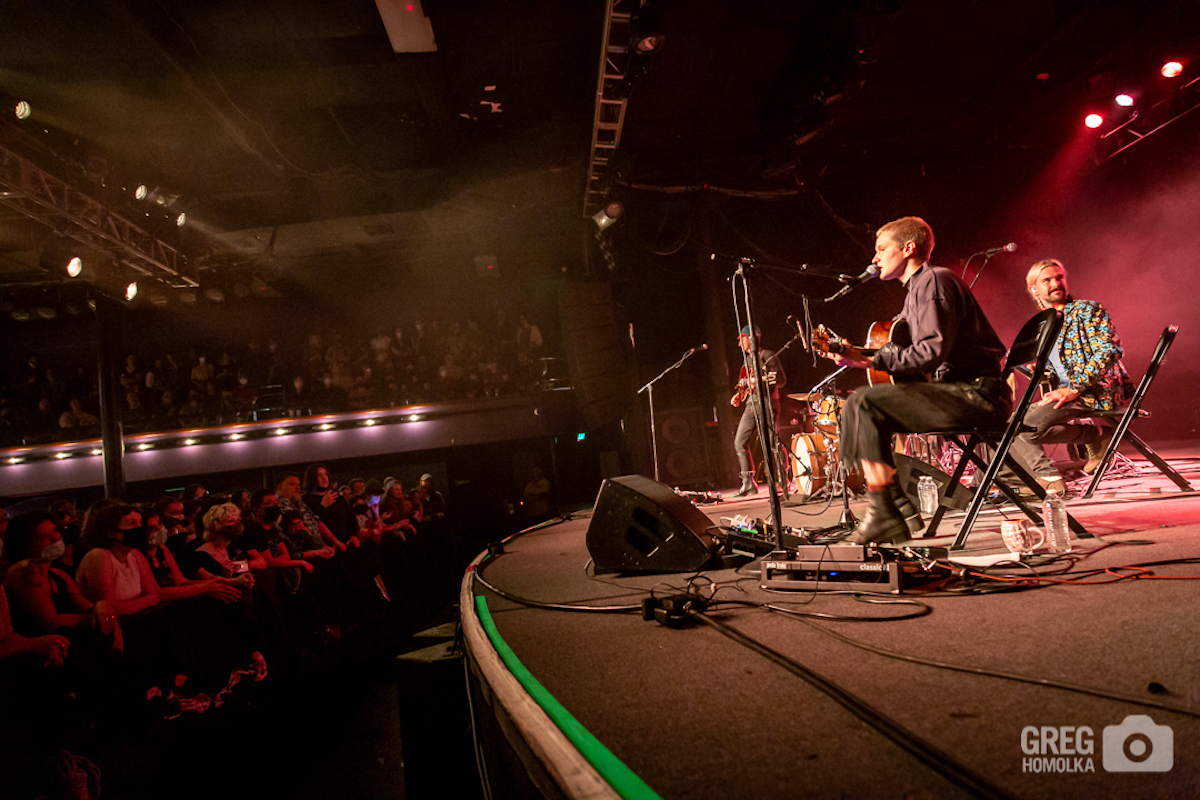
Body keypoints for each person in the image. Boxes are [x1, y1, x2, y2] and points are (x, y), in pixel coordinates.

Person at [820, 216, 1010, 545]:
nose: (874, 258)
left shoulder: (934, 282)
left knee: (863, 403)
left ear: (908, 248)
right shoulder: (917, 292)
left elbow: (931, 352)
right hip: (958, 391)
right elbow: (901, 349)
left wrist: (870, 358)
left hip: (977, 394)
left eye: (881, 249)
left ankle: (887, 512)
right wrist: (859, 354)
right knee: (858, 407)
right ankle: (893, 509)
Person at [1000, 259, 1133, 490]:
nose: (1055, 283)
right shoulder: (1045, 324)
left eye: (1059, 277)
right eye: (1047, 280)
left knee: (1019, 427)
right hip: (1066, 393)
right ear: (1034, 289)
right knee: (1013, 425)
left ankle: (1049, 478)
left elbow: (1110, 349)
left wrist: (1074, 388)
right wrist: (1037, 369)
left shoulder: (1088, 310)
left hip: (1095, 390)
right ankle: (1096, 435)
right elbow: (1062, 363)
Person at [730, 325, 787, 498]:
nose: (740, 344)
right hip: (751, 405)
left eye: (741, 340)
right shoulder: (746, 362)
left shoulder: (767, 356)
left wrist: (759, 381)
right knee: (739, 442)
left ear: (750, 339)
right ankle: (748, 483)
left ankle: (783, 480)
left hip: (768, 403)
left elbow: (781, 380)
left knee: (772, 442)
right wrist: (738, 396)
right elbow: (746, 386)